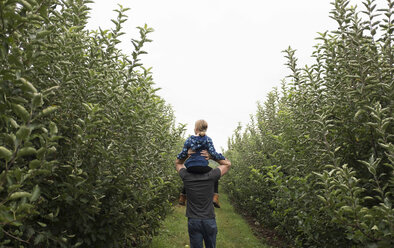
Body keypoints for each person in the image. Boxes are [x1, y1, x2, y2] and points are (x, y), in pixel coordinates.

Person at [175, 150, 231, 248]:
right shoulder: (211, 175)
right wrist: (212, 156)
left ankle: (182, 197)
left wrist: (186, 155)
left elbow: (178, 163)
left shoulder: (186, 176)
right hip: (209, 220)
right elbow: (227, 164)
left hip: (193, 220)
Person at [177, 120, 226, 208]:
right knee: (214, 174)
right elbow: (213, 153)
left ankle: (182, 197)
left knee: (187, 177)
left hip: (191, 167)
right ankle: (215, 196)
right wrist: (221, 157)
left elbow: (183, 153)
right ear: (206, 129)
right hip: (202, 166)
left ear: (195, 128)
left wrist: (184, 154)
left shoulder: (189, 139)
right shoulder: (207, 139)